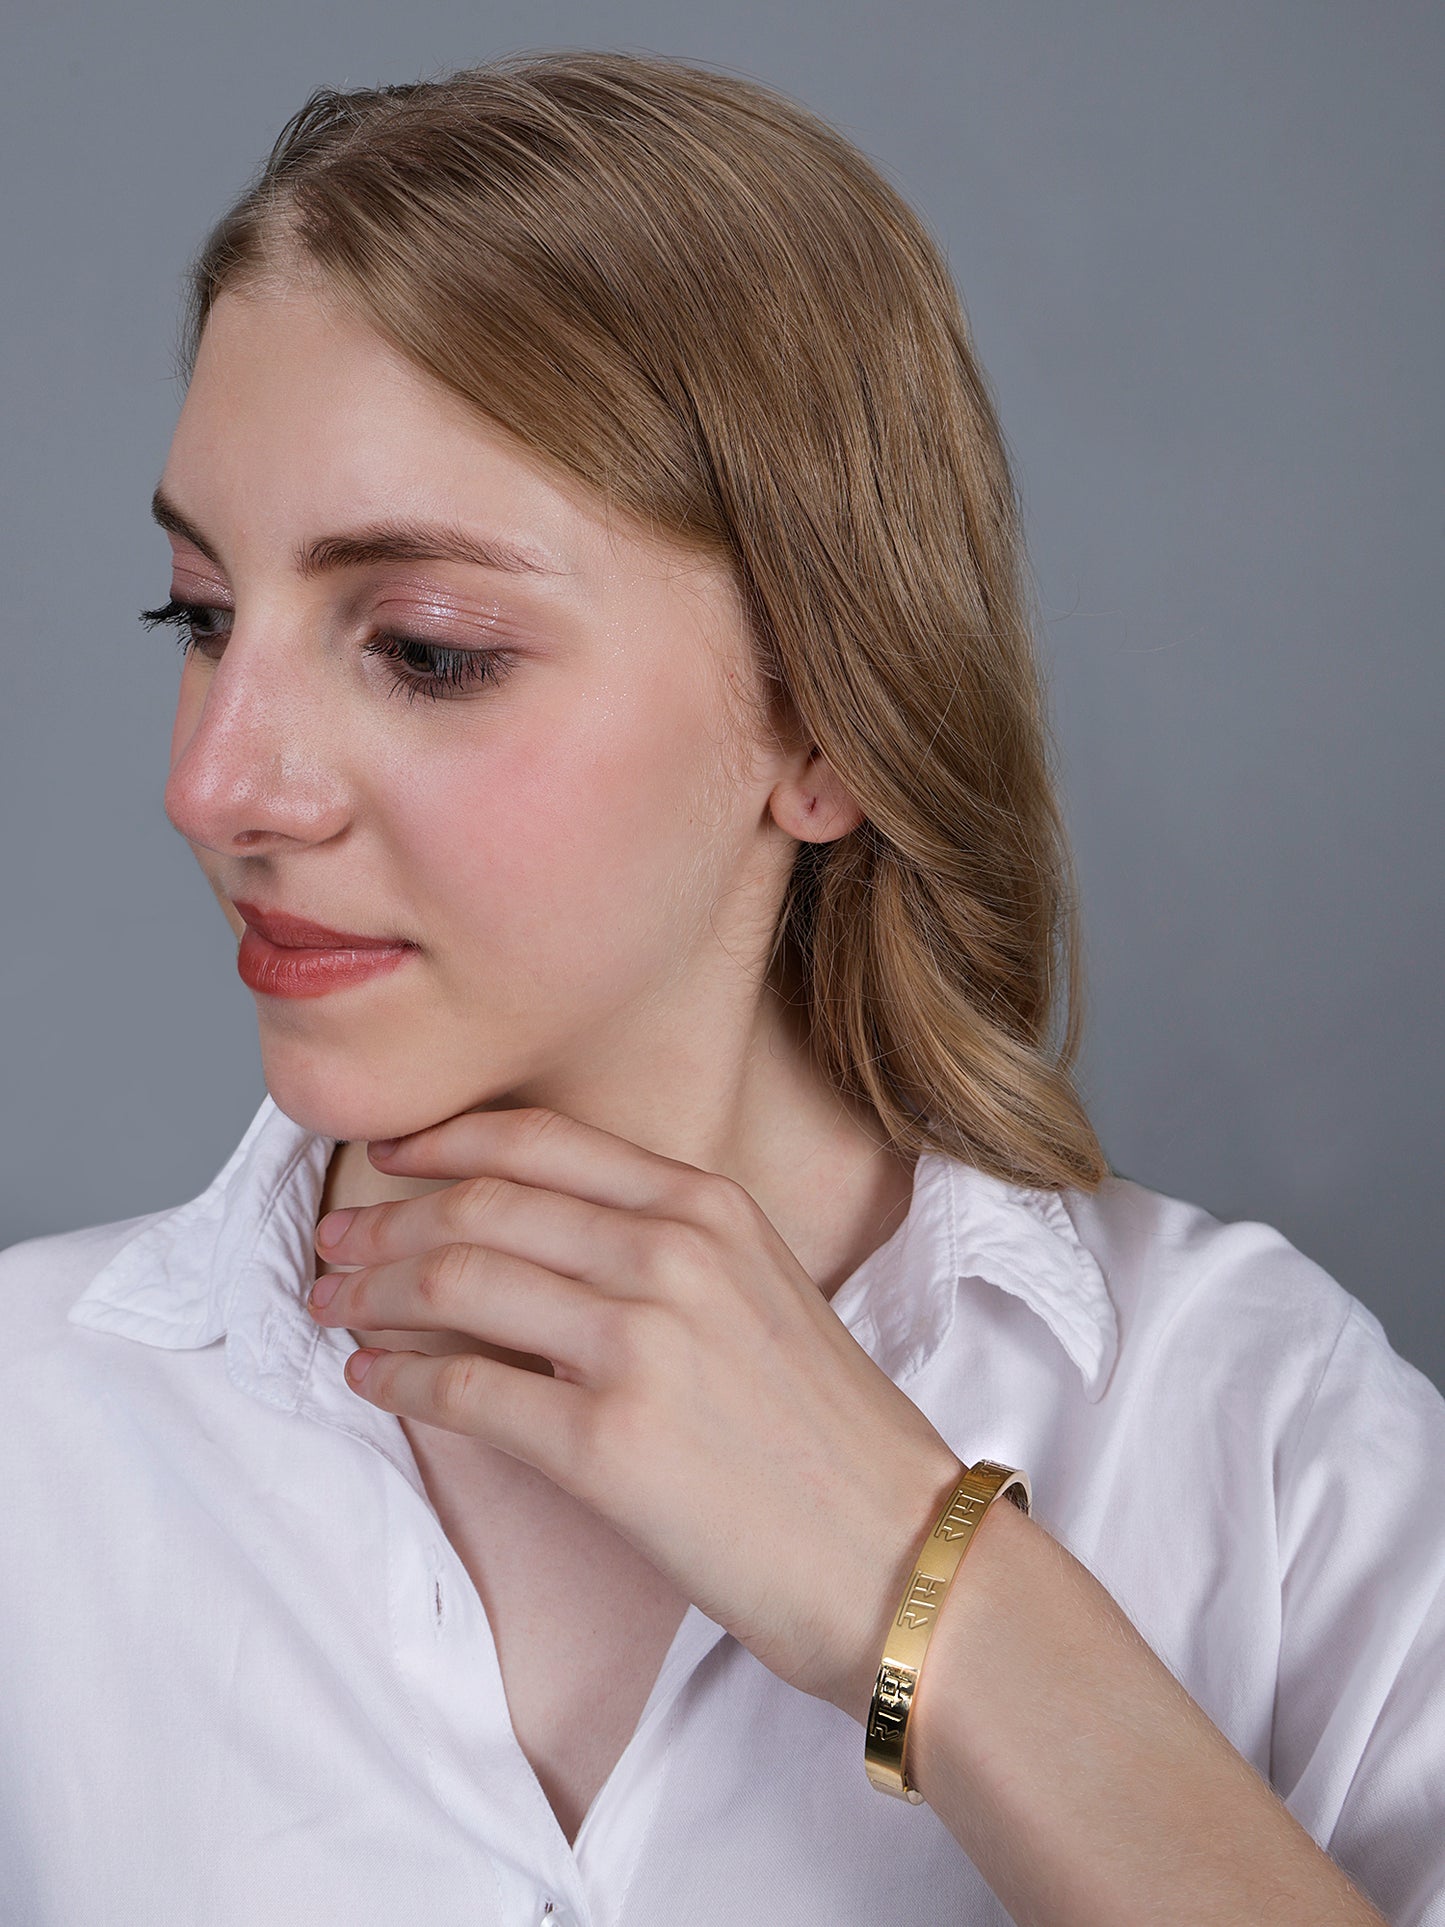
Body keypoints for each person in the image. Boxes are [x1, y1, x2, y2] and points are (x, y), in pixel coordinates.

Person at [2, 47, 1441, 1927]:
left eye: (426, 650)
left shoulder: (1260, 1435)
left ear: (828, 722)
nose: (214, 784)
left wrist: (926, 1596)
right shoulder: (34, 1440)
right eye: (201, 618)